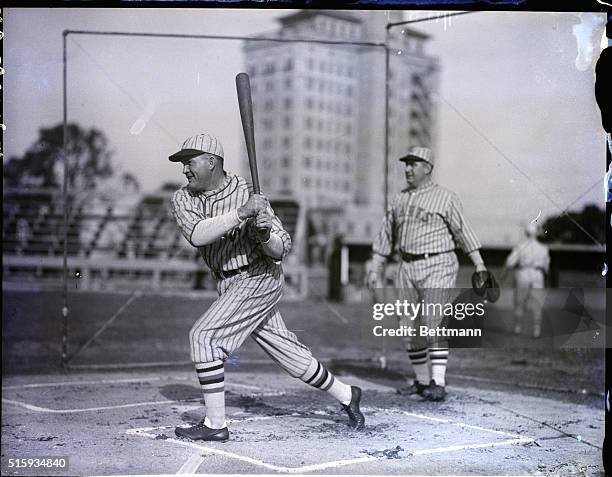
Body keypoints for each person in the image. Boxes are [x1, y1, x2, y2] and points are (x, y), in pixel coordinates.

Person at [168, 133, 364, 441]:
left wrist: (263, 236)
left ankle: (215, 425)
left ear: (211, 162)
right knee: (288, 352)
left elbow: (281, 248)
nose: (184, 170)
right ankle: (348, 394)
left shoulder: (248, 190)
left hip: (259, 277)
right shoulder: (183, 198)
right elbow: (197, 234)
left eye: (189, 162)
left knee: (204, 337)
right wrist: (242, 214)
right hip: (228, 282)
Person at [367, 146, 489, 402]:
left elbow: (463, 233)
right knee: (407, 326)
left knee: (433, 321)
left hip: (439, 262)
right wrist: (375, 266)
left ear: (428, 168)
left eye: (414, 163)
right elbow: (385, 237)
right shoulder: (399, 199)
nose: (408, 168)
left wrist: (479, 264)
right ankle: (422, 381)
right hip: (407, 266)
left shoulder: (446, 197)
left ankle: (439, 382)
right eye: (406, 163)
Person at [502, 222, 550, 338]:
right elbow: (546, 267)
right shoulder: (543, 248)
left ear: (526, 233)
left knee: (519, 302)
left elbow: (509, 262)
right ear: (536, 233)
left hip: (523, 273)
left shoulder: (520, 247)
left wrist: (503, 275)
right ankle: (536, 331)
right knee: (537, 303)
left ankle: (517, 328)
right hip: (537, 273)